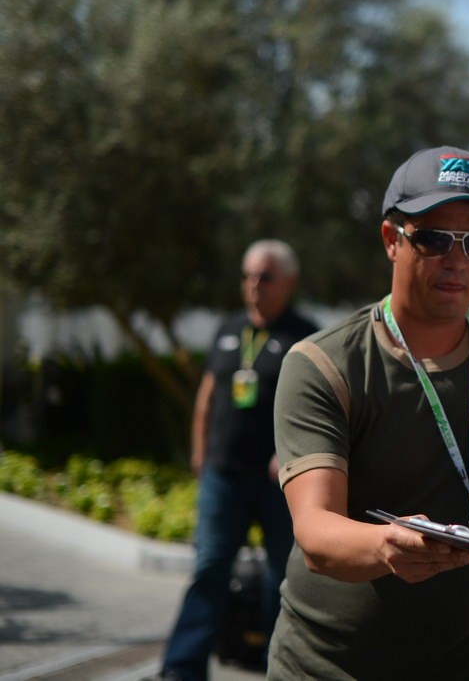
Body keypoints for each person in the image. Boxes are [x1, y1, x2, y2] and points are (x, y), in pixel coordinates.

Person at [269, 146, 469, 680]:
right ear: (392, 240)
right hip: (330, 668)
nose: (457, 259)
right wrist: (387, 546)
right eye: (434, 239)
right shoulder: (323, 363)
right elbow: (316, 532)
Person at [154, 240, 319, 681]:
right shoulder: (228, 329)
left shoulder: (304, 336)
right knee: (208, 569)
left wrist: (289, 453)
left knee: (282, 580)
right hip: (222, 477)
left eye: (264, 277)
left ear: (289, 282)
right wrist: (198, 453)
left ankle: (279, 668)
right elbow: (208, 395)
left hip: (277, 484)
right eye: (247, 275)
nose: (252, 285)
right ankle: (181, 669)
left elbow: (316, 408)